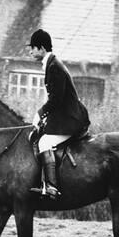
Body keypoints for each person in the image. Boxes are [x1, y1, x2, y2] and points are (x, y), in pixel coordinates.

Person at [27, 29, 90, 200]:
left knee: (44, 143)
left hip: (71, 119)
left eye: (32, 47)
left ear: (41, 48)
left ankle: (52, 187)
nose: (30, 51)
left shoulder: (54, 67)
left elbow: (56, 100)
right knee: (40, 136)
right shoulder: (52, 64)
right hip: (64, 116)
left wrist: (40, 114)